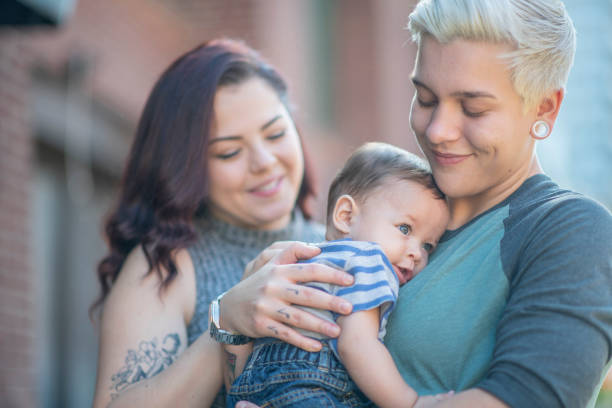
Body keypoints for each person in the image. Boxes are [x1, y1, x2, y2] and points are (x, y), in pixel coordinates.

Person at [215, 1, 612, 407]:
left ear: (544, 107)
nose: (438, 130)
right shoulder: (377, 219)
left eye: (473, 108)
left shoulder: (572, 230)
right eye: (424, 98)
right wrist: (231, 323)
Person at [91, 38, 355, 408]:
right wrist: (228, 321)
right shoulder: (165, 266)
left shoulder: (349, 244)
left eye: (276, 133)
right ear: (186, 169)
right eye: (229, 151)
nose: (263, 161)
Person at [225, 143, 451, 408]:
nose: (416, 253)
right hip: (314, 382)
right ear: (346, 216)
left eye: (428, 246)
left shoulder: (303, 260)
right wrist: (410, 403)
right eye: (405, 228)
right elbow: (356, 344)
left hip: (252, 383)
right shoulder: (370, 260)